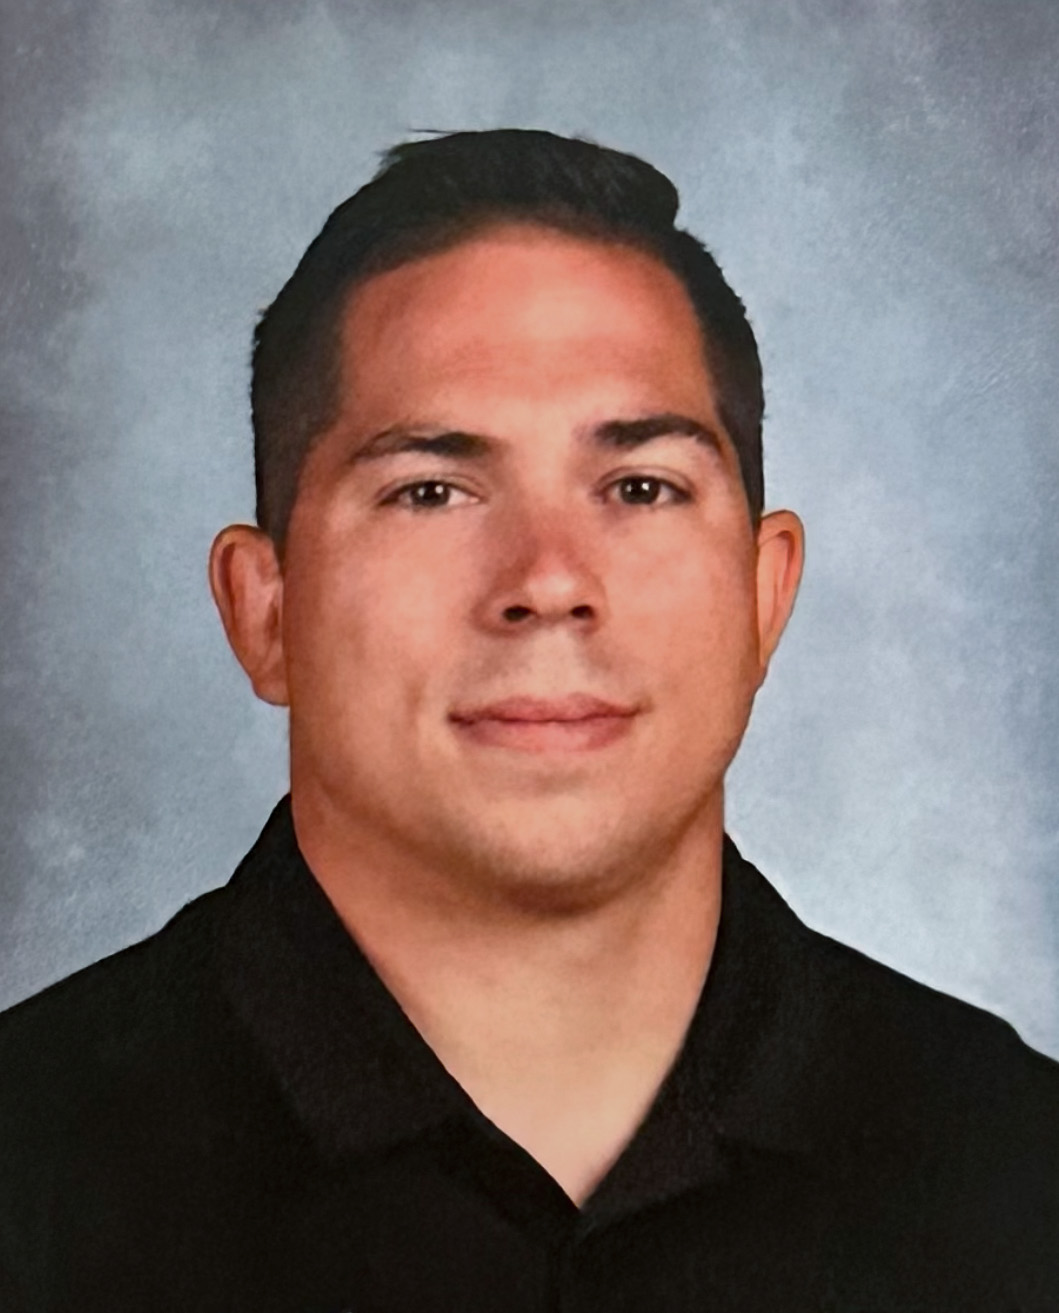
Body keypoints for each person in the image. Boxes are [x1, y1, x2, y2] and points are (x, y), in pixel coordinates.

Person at [0, 128, 1055, 1312]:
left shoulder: (1017, 1171)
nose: (549, 577)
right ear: (267, 610)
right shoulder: (28, 1169)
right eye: (432, 491)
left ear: (766, 596)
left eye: (641, 486)